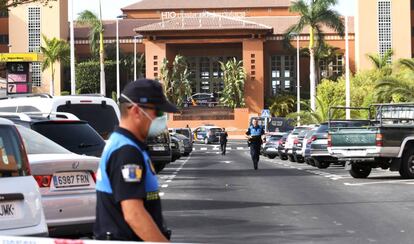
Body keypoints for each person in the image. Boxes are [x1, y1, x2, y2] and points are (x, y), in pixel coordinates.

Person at [94, 79, 177, 241]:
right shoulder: (127, 152)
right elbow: (134, 213)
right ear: (137, 111)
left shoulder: (125, 144)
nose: (161, 118)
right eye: (158, 113)